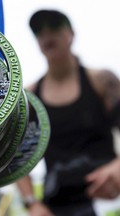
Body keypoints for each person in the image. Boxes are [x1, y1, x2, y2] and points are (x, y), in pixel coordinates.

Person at [17, 9, 120, 216]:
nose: (46, 33)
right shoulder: (30, 99)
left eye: (54, 26)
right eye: (38, 31)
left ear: (71, 34)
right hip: (57, 205)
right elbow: (17, 158)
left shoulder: (101, 81)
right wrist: (32, 203)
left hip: (108, 199)